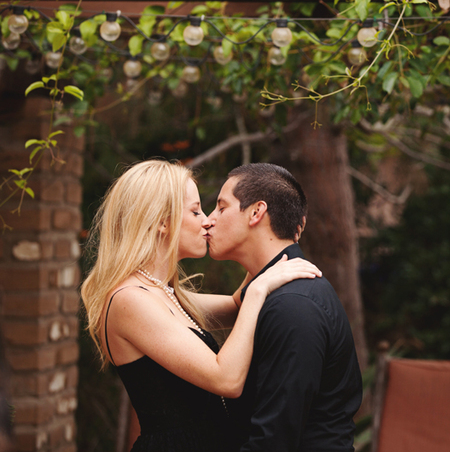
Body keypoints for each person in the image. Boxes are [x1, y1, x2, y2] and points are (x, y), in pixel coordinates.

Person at [80, 160, 321, 452]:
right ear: (162, 221)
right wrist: (258, 290)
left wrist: (260, 241)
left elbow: (235, 305)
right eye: (195, 211)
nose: (207, 220)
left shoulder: (162, 293)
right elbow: (226, 379)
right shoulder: (129, 300)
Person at [204, 163, 363, 452]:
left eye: (221, 207)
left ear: (256, 212)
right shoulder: (273, 295)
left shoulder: (293, 307)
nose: (208, 220)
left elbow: (273, 441)